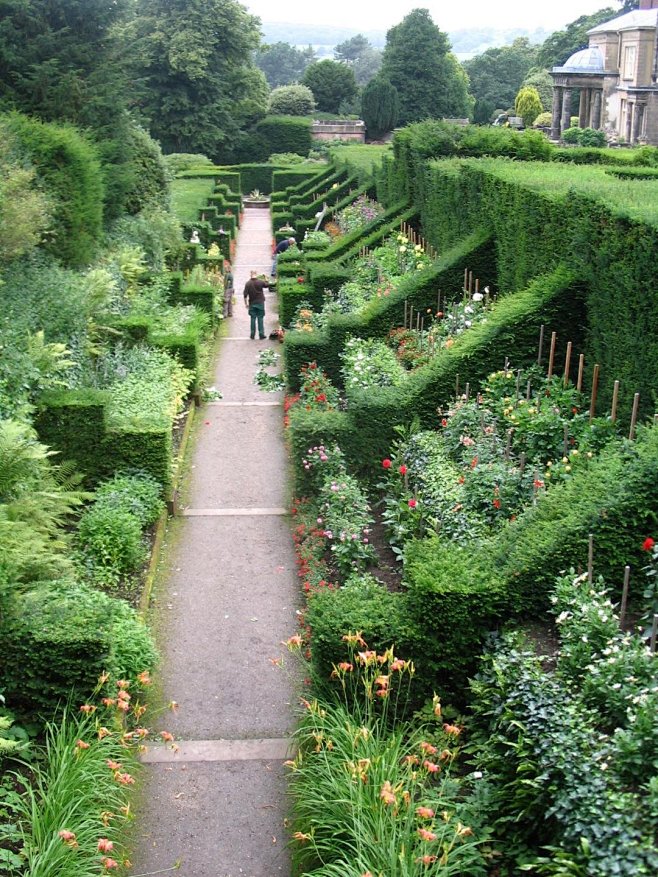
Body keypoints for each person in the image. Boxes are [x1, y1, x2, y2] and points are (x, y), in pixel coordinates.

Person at [243, 270, 270, 339]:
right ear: (256, 274)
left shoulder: (248, 283)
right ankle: (261, 334)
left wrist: (246, 304)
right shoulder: (260, 282)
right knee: (260, 318)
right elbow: (267, 285)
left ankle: (252, 334)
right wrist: (266, 278)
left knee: (252, 318)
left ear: (250, 275)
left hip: (252, 303)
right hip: (260, 303)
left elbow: (245, 295)